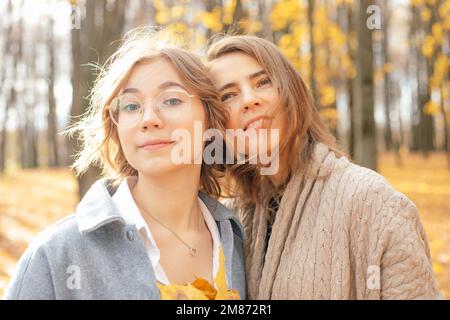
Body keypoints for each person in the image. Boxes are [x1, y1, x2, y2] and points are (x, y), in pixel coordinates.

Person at [4, 28, 245, 300]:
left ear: (210, 120)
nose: (149, 118)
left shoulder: (236, 238)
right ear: (116, 128)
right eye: (131, 106)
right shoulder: (57, 252)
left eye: (172, 100)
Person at [206, 34, 439, 299]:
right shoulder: (231, 222)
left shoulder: (374, 202)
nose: (249, 99)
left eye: (263, 82)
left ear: (291, 93)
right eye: (228, 95)